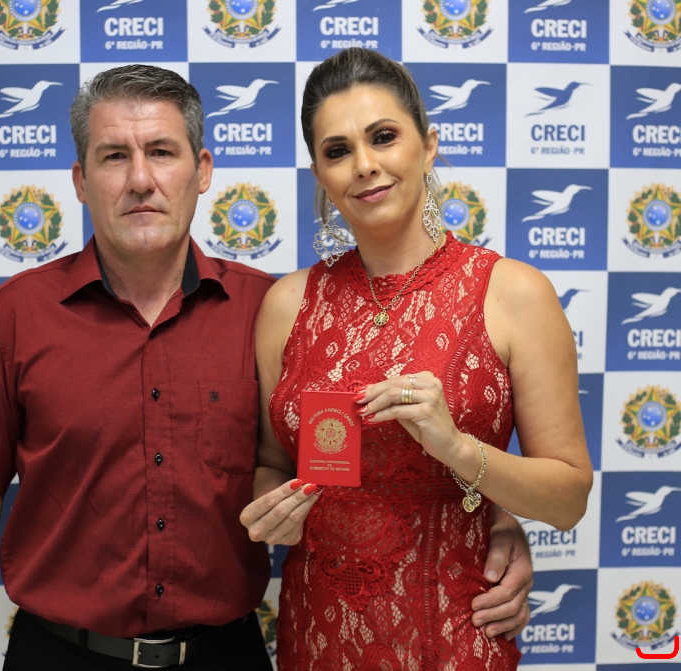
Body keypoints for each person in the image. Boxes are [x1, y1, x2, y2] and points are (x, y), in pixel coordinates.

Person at [0, 64, 533, 671]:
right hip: (59, 655)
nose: (140, 179)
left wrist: (496, 520)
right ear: (81, 180)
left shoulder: (272, 311)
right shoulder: (15, 316)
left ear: (203, 171)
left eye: (162, 152)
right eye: (113, 157)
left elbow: (370, 457)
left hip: (225, 653)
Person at [240, 48, 593, 670]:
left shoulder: (513, 293)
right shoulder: (286, 304)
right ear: (320, 174)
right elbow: (272, 462)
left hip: (453, 635)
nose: (365, 165)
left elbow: (568, 500)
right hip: (317, 635)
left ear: (428, 147)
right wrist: (275, 510)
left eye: (383, 137)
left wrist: (457, 448)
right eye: (338, 150)